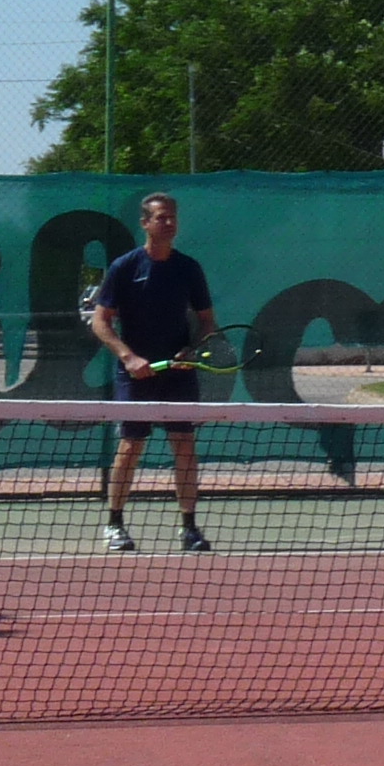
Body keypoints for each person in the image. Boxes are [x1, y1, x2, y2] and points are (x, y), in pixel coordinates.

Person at [89, 192, 220, 553]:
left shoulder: (188, 268)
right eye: (162, 217)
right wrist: (128, 357)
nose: (169, 223)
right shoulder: (124, 267)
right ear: (145, 223)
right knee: (131, 446)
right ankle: (115, 525)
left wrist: (191, 351)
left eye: (173, 217)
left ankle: (189, 528)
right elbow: (100, 322)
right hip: (134, 375)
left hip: (179, 372)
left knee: (184, 444)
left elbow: (207, 323)